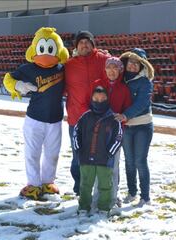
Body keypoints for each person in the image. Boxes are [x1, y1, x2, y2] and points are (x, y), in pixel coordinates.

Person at [3, 27, 69, 200]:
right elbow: (8, 78)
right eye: (42, 48)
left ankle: (48, 182)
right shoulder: (28, 68)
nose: (46, 53)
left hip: (55, 119)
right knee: (32, 152)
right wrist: (18, 86)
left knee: (52, 153)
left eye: (51, 48)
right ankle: (33, 183)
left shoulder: (62, 68)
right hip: (34, 118)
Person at [65, 30, 110, 195]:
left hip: (101, 118)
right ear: (76, 46)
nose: (84, 45)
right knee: (78, 156)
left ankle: (102, 189)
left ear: (93, 44)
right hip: (77, 119)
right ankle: (79, 188)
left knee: (101, 156)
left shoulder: (105, 60)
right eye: (81, 42)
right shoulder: (69, 65)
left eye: (87, 42)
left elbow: (122, 67)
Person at [73, 86, 123, 215]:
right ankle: (83, 207)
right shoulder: (85, 117)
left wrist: (109, 154)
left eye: (102, 98)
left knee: (105, 186)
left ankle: (104, 208)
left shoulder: (113, 118)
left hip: (105, 160)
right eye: (96, 98)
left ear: (107, 99)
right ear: (91, 99)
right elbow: (76, 133)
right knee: (85, 185)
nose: (99, 101)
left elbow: (118, 138)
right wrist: (79, 150)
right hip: (86, 158)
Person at [115, 48, 155, 207]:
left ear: (142, 66)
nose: (132, 66)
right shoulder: (121, 79)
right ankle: (132, 192)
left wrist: (126, 115)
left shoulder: (145, 82)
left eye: (136, 63)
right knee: (129, 161)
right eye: (130, 62)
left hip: (142, 126)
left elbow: (142, 103)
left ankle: (145, 196)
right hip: (126, 127)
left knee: (140, 161)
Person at [91, 57, 132, 208]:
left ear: (120, 70)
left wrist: (121, 120)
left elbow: (127, 110)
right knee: (97, 166)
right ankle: (96, 199)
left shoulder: (124, 89)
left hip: (115, 134)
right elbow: (92, 105)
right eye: (109, 67)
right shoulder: (97, 84)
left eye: (115, 68)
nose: (112, 71)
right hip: (97, 133)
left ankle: (113, 198)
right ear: (105, 69)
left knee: (113, 166)